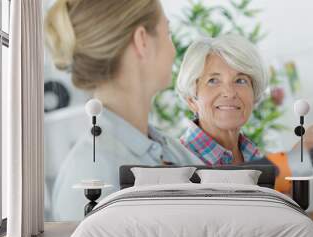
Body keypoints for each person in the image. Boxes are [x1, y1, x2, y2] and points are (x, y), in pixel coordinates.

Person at [176, 35, 313, 220]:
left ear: (254, 97)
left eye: (240, 80)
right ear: (191, 99)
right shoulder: (177, 167)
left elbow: (291, 234)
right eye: (213, 80)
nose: (229, 92)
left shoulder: (254, 156)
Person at [45, 0, 203, 221]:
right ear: (142, 41)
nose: (173, 50)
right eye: (167, 33)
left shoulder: (169, 150)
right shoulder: (92, 175)